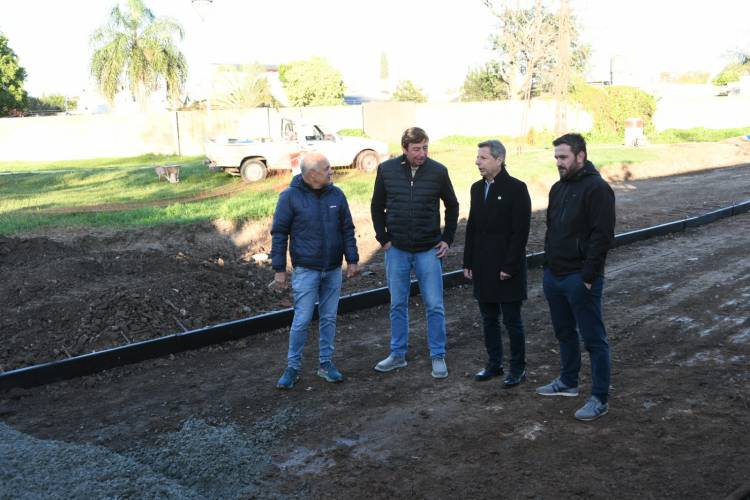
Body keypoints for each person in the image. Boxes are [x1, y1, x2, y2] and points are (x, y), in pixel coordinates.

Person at [536, 133, 615, 421]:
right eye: (556, 157)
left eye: (563, 157)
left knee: (594, 339)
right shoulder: (557, 188)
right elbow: (551, 230)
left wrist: (588, 276)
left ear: (580, 156)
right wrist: (548, 266)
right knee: (564, 332)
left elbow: (602, 236)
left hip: (580, 278)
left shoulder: (598, 189)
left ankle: (599, 398)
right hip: (555, 275)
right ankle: (568, 382)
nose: (558, 162)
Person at [370, 127, 459, 378]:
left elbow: (452, 205)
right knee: (397, 304)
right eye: (417, 149)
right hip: (397, 250)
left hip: (428, 250)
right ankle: (397, 354)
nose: (422, 154)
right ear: (404, 149)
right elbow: (376, 206)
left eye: (425, 148)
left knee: (434, 305)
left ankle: (437, 355)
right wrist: (383, 238)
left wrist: (447, 238)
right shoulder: (386, 170)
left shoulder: (438, 171)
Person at [271, 151, 359, 389]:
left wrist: (352, 260)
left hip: (332, 269)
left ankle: (325, 364)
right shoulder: (289, 197)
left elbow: (347, 229)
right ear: (312, 175)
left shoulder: (337, 195)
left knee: (329, 318)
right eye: (327, 168)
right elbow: (279, 234)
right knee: (301, 320)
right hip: (306, 270)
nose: (332, 171)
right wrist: (279, 269)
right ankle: (293, 367)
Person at [463, 140, 531, 387]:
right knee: (488, 318)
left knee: (512, 321)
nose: (477, 162)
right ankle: (494, 364)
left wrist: (509, 266)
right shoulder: (476, 188)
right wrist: (468, 261)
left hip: (506, 269)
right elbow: (472, 227)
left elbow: (520, 232)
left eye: (483, 158)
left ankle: (518, 369)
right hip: (482, 266)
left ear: (499, 159)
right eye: (477, 157)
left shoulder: (516, 188)